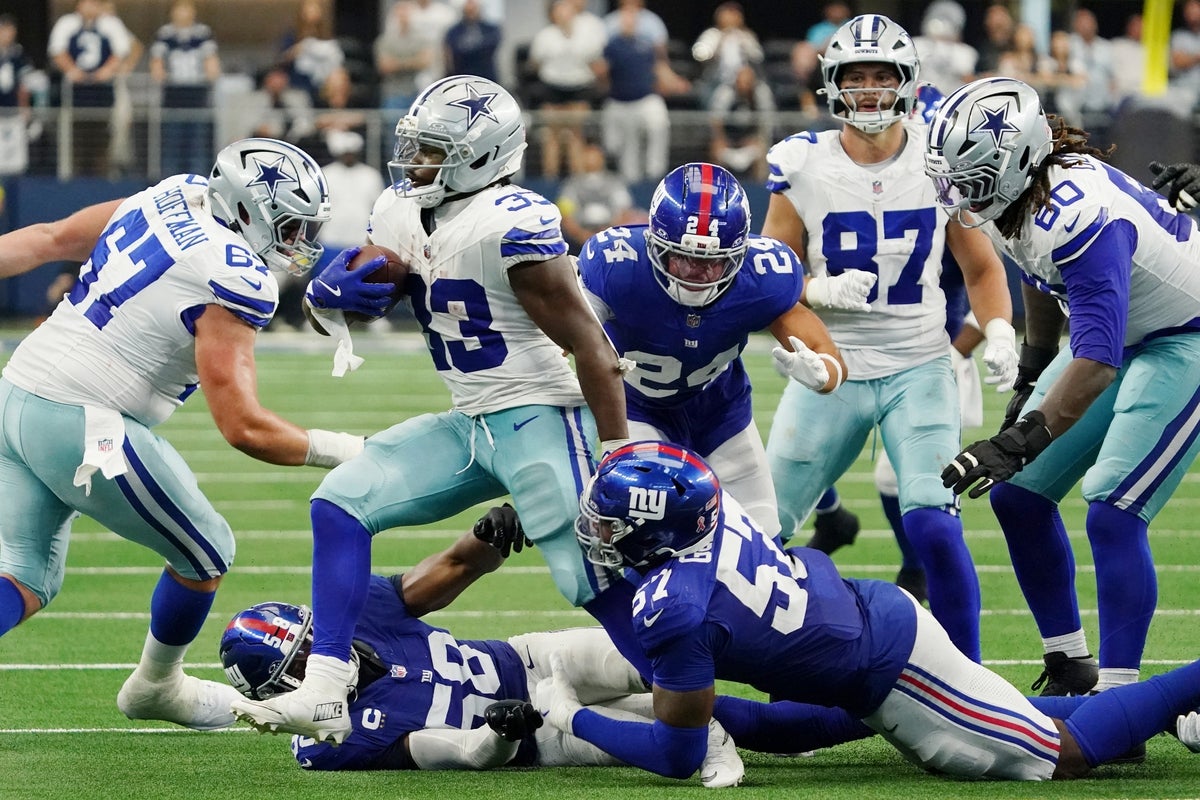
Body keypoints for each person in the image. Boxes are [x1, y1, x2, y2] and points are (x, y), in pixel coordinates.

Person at [229, 75, 632, 745]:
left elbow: (590, 344)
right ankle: (326, 687)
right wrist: (325, 294)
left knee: (591, 578)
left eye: (434, 152)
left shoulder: (512, 220)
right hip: (473, 422)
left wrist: (616, 453)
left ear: (482, 155)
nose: (416, 164)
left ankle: (687, 683)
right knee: (341, 501)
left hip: (540, 415)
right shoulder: (401, 208)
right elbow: (379, 276)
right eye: (416, 149)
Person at [545, 441, 1200, 784]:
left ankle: (1183, 688)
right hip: (863, 619)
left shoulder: (674, 607)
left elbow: (678, 755)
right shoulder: (712, 516)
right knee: (780, 730)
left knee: (1062, 754)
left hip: (890, 669)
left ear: (659, 534)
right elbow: (692, 709)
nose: (598, 532)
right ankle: (1170, 712)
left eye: (611, 524)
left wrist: (573, 717)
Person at [0, 137, 365, 731]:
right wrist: (354, 451)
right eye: (291, 226)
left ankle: (157, 686)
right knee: (207, 550)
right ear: (248, 211)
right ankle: (157, 687)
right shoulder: (235, 274)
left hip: (16, 393)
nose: (300, 241)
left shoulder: (174, 194)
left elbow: (45, 239)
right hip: (81, 422)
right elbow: (244, 427)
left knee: (25, 577)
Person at [926, 77, 1200, 697]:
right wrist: (1032, 371)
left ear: (1015, 160)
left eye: (967, 177)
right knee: (1017, 497)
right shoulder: (1017, 193)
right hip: (1123, 333)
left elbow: (1098, 359)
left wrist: (1029, 432)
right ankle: (1071, 663)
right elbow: (1038, 272)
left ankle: (1119, 697)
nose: (955, 194)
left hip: (1186, 336)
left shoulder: (1083, 217)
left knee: (1112, 507)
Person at [760, 14, 1017, 663]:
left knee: (933, 522)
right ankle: (787, 673)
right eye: (856, 76)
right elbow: (768, 278)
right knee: (762, 531)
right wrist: (808, 307)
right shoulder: (803, 164)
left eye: (882, 75)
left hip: (918, 367)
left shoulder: (939, 160)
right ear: (832, 84)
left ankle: (968, 679)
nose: (870, 89)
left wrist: (1001, 329)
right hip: (832, 366)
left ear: (906, 82)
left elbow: (982, 267)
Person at [220, 504, 744, 787]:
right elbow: (462, 753)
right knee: (684, 729)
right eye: (303, 659)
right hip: (540, 737)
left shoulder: (357, 612)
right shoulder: (330, 743)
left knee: (671, 656)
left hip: (530, 657)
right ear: (279, 691)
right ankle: (813, 727)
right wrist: (501, 732)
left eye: (312, 639)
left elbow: (456, 566)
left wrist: (488, 534)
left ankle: (799, 671)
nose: (319, 655)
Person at [577, 161, 844, 543]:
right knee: (648, 538)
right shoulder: (617, 266)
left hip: (720, 411)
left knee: (761, 537)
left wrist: (824, 373)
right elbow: (568, 338)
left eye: (711, 261)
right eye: (681, 256)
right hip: (635, 407)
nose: (694, 272)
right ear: (654, 243)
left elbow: (825, 353)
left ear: (738, 253)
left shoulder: (763, 275)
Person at [148, 0, 221, 177]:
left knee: (197, 146)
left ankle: (198, 185)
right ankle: (169, 184)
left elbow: (212, 62)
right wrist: (161, 74)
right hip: (173, 98)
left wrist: (210, 73)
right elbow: (157, 61)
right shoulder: (166, 33)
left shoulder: (202, 33)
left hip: (197, 98)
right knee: (172, 146)